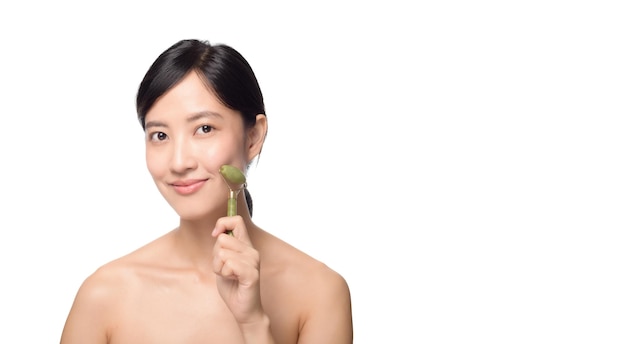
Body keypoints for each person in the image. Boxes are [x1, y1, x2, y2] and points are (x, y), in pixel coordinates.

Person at [60, 39, 353, 343]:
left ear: (253, 137)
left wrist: (253, 323)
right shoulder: (104, 295)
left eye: (204, 129)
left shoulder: (319, 293)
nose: (179, 162)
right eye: (160, 135)